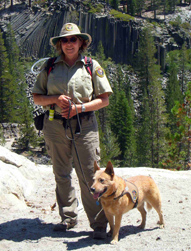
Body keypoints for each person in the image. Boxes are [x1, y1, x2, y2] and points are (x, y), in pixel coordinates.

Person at [32, 23, 113, 239]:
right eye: (65, 40)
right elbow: (37, 97)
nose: (69, 44)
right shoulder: (49, 66)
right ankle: (68, 217)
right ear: (60, 44)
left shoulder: (90, 65)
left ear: (81, 43)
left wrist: (80, 108)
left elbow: (103, 100)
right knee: (61, 173)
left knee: (90, 174)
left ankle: (98, 223)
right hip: (54, 125)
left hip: (85, 125)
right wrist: (55, 99)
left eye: (73, 40)